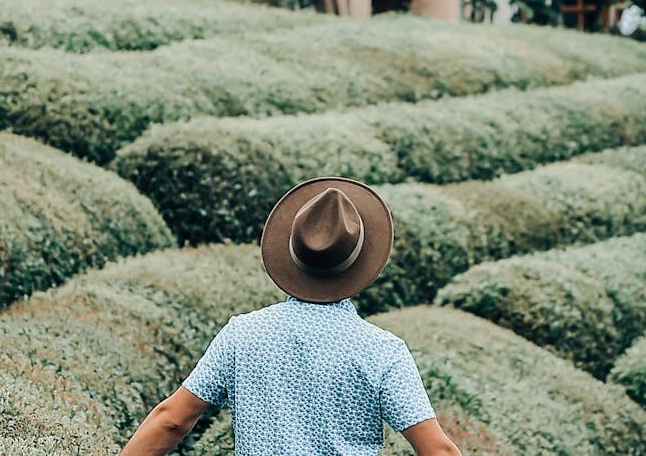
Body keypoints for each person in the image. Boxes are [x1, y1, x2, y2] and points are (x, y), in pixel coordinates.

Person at [121, 177, 461, 456]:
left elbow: (172, 421)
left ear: (291, 253)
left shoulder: (243, 334)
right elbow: (437, 450)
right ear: (360, 264)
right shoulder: (383, 351)